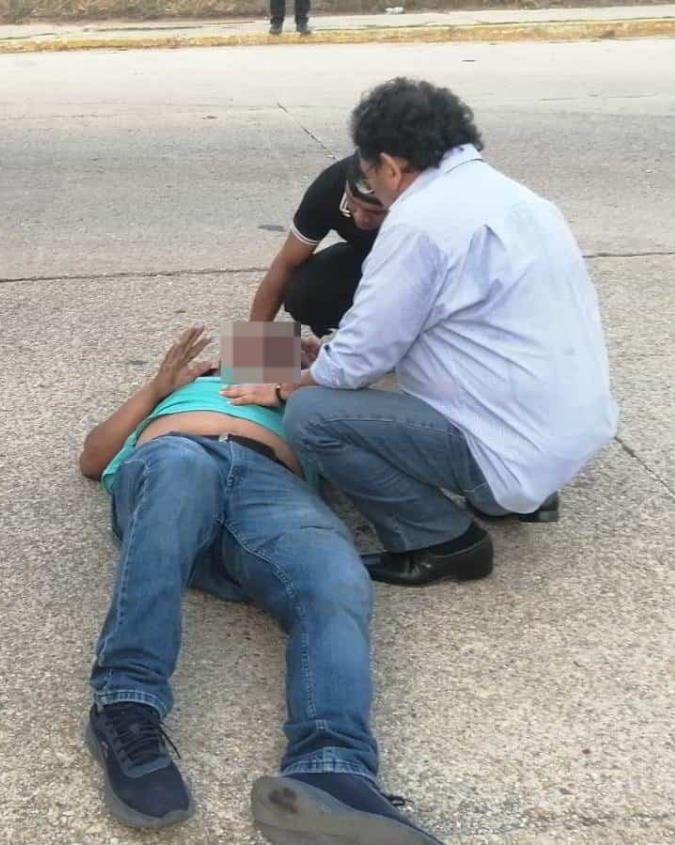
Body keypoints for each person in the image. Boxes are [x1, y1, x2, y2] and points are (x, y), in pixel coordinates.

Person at [233, 78, 617, 587]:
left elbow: (354, 366)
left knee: (312, 414)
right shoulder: (520, 198)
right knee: (336, 376)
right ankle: (504, 497)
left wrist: (282, 384)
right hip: (566, 434)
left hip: (509, 442)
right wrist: (326, 354)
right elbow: (450, 325)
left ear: (390, 166)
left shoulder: (418, 221)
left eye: (373, 174)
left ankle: (438, 540)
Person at [78, 326, 442, 845]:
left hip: (273, 490)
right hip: (177, 458)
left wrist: (321, 376)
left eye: (287, 345)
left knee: (337, 577)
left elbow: (375, 431)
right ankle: (125, 703)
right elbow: (92, 459)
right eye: (256, 341)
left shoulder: (303, 399)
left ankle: (331, 770)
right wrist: (155, 390)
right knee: (181, 469)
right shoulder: (186, 386)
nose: (271, 346)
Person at [250, 154, 386, 332]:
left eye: (374, 213)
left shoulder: (424, 209)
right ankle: (335, 340)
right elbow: (286, 263)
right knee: (303, 291)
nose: (361, 218)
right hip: (366, 257)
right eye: (353, 205)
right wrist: (250, 347)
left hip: (416, 273)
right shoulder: (331, 184)